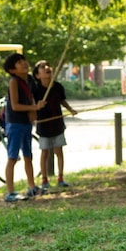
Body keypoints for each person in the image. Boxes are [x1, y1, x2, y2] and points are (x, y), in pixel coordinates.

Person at [2, 53, 45, 202]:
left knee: (28, 156)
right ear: (12, 70)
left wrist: (33, 111)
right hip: (15, 123)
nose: (24, 64)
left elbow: (32, 97)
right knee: (12, 157)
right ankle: (10, 192)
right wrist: (34, 107)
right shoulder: (14, 81)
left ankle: (32, 187)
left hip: (26, 122)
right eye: (19, 63)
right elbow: (15, 105)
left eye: (23, 61)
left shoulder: (30, 80)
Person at [33, 60, 77, 194]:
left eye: (47, 66)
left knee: (59, 151)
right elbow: (33, 105)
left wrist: (70, 110)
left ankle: (60, 177)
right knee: (45, 152)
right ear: (37, 75)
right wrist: (35, 115)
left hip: (57, 123)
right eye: (42, 67)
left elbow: (62, 101)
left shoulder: (57, 87)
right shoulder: (36, 89)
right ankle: (44, 180)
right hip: (43, 124)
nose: (47, 68)